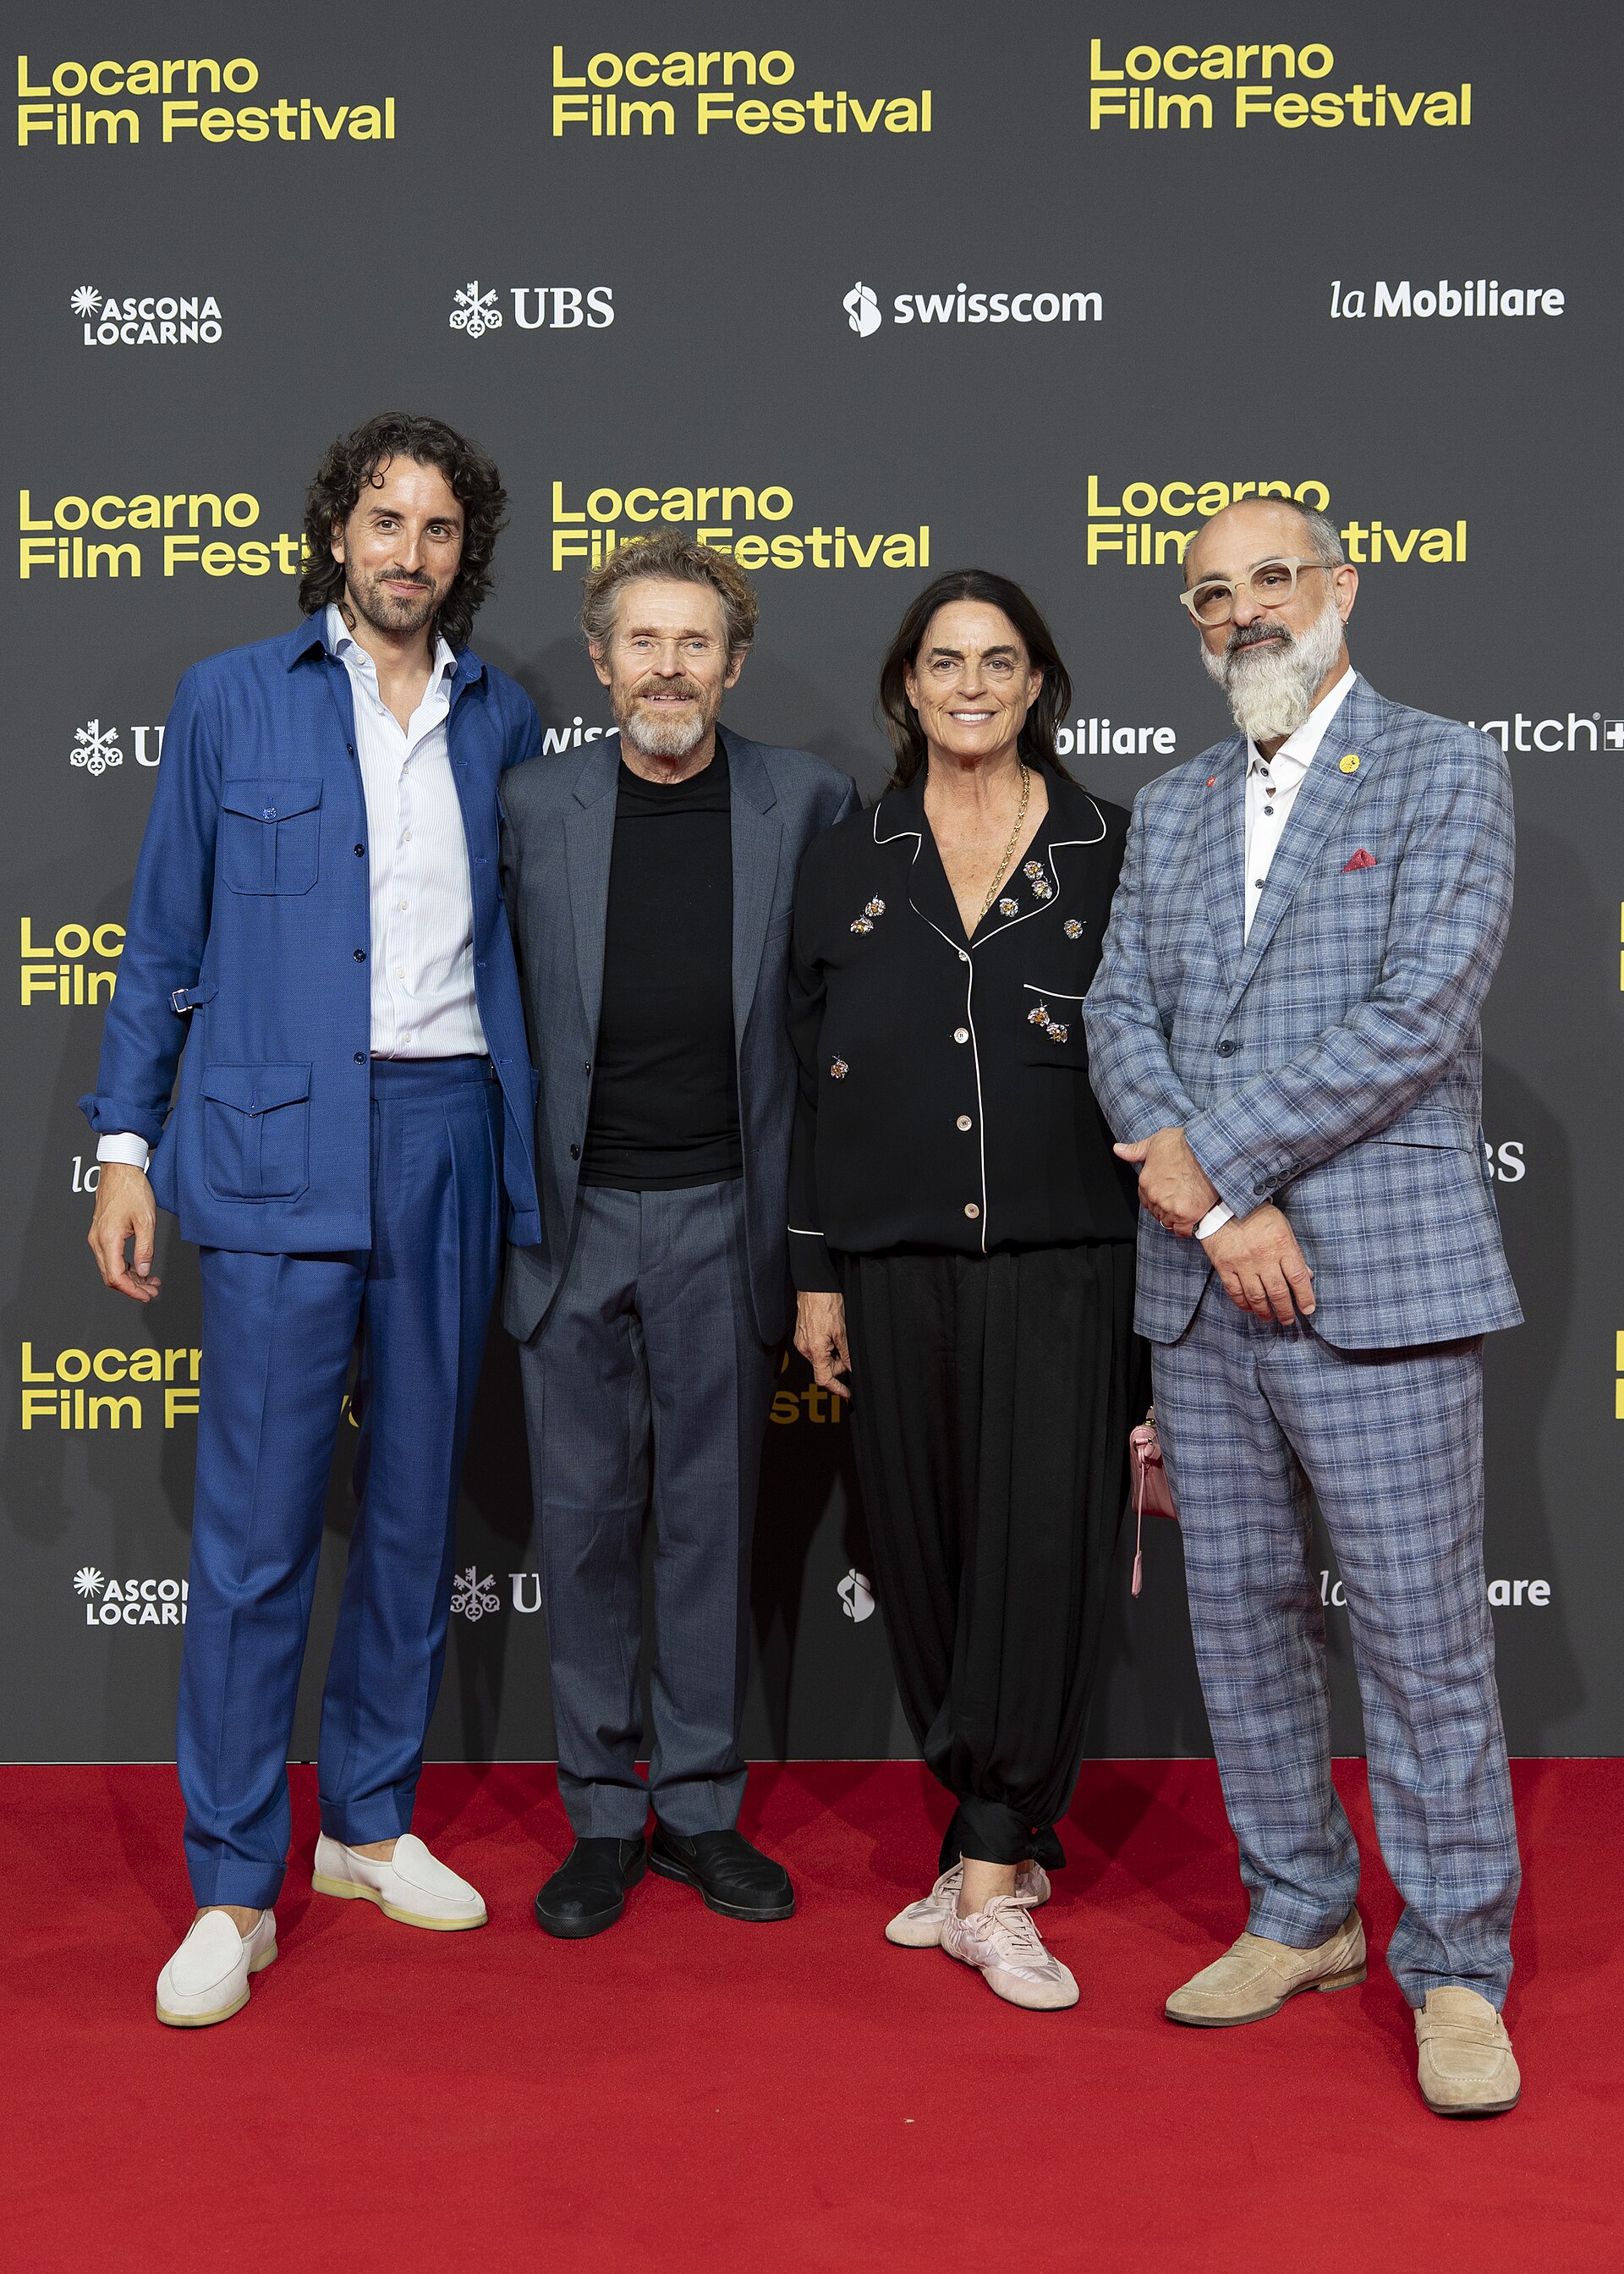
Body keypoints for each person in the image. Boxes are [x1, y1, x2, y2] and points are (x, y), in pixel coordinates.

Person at [83, 414, 541, 2027]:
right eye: (382, 521)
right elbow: (161, 938)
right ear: (335, 535)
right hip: (275, 1138)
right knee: (259, 1531)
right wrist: (124, 1148)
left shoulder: (510, 716)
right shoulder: (228, 700)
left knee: (415, 1514)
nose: (408, 553)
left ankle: (366, 1821)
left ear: (460, 555)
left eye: (436, 530)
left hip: (446, 1134)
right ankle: (229, 1884)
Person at [1083, 497, 1524, 2115]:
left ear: (1340, 587)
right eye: (1214, 593)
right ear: (1194, 624)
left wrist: (1228, 1166)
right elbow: (1119, 1006)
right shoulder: (1179, 800)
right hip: (1209, 1290)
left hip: (1377, 1281)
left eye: (1275, 578)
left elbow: (1421, 1011)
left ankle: (1459, 1964)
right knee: (1243, 1623)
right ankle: (1302, 1913)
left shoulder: (1445, 766)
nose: (1246, 611)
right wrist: (1214, 1210)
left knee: (1419, 1643)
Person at [790, 570, 1141, 2013]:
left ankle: (992, 1867)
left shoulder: (1116, 845)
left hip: (1067, 1261)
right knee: (924, 1558)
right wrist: (814, 1274)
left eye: (1002, 661)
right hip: (886, 1259)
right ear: (908, 688)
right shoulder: (846, 851)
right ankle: (993, 1832)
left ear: (1042, 681)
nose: (974, 684)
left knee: (1039, 1558)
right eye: (946, 662)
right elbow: (801, 1081)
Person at [501, 530, 855, 1938]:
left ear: (733, 662)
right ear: (600, 661)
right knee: (583, 1529)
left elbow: (836, 1037)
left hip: (729, 1215)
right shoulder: (529, 805)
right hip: (569, 1222)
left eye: (695, 643)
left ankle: (697, 1809)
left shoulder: (806, 800)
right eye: (641, 642)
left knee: (709, 1526)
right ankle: (600, 1814)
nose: (668, 667)